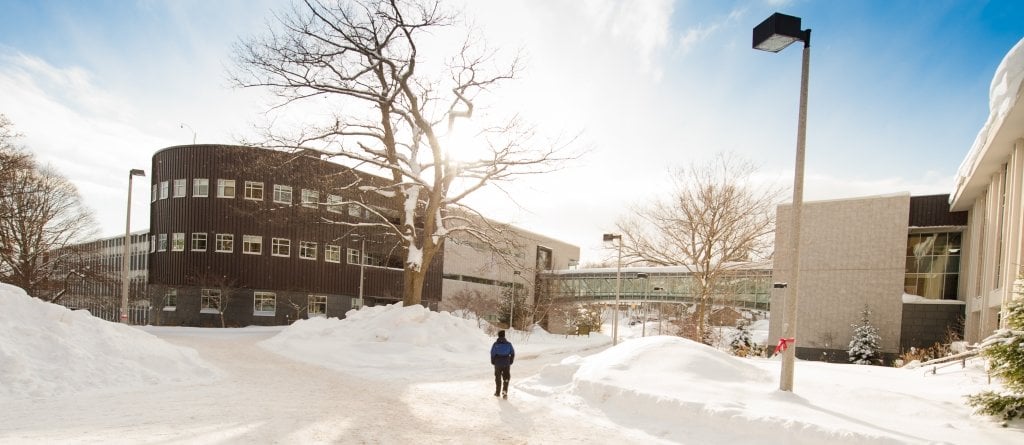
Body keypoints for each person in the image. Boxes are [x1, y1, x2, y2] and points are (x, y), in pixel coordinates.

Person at [490, 330, 515, 399]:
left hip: (498, 363)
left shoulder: (495, 344)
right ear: (504, 336)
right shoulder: (509, 344)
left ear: (498, 336)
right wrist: (511, 361)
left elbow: (492, 353)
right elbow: (512, 353)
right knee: (506, 377)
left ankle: (497, 392)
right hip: (506, 363)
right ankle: (504, 391)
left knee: (498, 378)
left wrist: (493, 361)